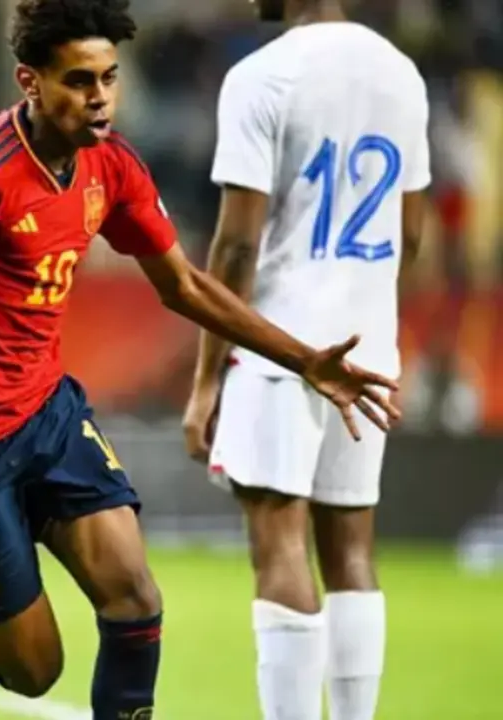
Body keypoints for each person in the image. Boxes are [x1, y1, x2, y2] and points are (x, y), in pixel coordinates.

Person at [0, 1, 400, 718]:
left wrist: (304, 360)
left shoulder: (111, 165)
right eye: (79, 80)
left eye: (109, 77)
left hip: (48, 416)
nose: (100, 95)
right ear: (30, 82)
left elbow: (185, 285)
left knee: (137, 601)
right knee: (35, 672)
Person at [180, 1, 430, 718]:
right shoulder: (402, 75)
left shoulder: (262, 76)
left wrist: (204, 383)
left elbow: (234, 246)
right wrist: (367, 318)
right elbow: (410, 237)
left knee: (279, 546)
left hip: (278, 349)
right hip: (367, 351)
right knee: (352, 551)